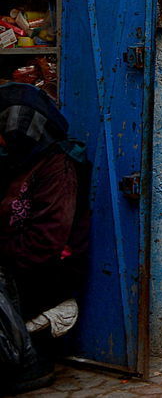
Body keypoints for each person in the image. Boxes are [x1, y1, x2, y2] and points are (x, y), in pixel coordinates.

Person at [0, 84, 90, 393]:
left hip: (42, 274)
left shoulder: (58, 166)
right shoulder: (14, 162)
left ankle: (26, 363)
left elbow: (46, 242)